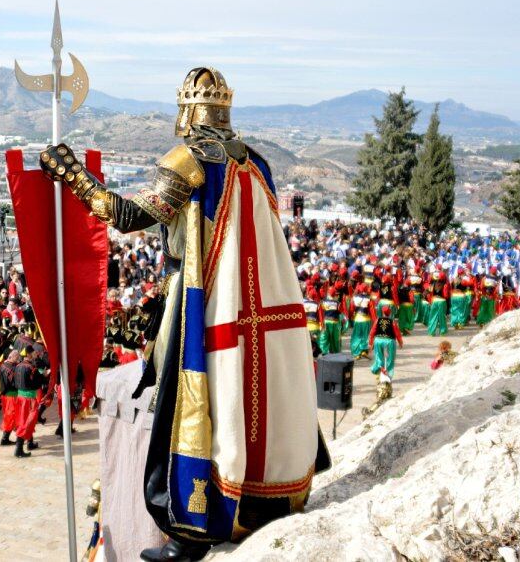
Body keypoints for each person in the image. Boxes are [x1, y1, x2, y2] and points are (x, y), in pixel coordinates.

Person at [40, 67, 329, 560]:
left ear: (189, 112)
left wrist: (73, 176)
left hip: (200, 299)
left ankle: (190, 532)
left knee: (187, 402)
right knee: (249, 399)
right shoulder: (255, 162)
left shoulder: (189, 159)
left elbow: (131, 216)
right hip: (250, 304)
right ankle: (266, 502)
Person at [12, 345, 44, 458]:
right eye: (34, 353)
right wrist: (43, 375)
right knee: (27, 422)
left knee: (24, 421)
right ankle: (18, 448)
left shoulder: (17, 366)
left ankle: (30, 443)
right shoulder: (32, 368)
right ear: (29, 354)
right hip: (29, 399)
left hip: (20, 397)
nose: (35, 354)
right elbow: (38, 383)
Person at [0, 350, 20, 446]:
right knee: (11, 416)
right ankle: (5, 438)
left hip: (5, 395)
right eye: (17, 357)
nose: (18, 359)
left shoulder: (3, 365)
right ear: (11, 357)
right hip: (12, 396)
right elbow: (15, 383)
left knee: (9, 415)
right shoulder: (12, 369)